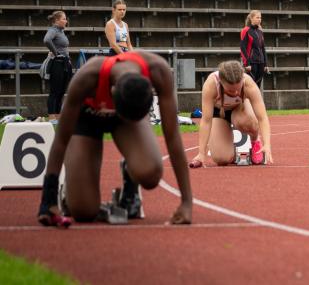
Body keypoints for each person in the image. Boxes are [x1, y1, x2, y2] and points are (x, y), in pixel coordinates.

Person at [36, 50, 192, 227]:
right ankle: (70, 189)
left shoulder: (159, 71)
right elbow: (61, 139)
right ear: (112, 91)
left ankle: (130, 178)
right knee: (84, 212)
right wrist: (48, 201)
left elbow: (172, 137)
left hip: (126, 118)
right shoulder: (86, 78)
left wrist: (186, 203)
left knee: (150, 175)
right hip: (86, 117)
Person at [189, 60, 272, 167]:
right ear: (221, 82)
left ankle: (255, 141)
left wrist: (267, 144)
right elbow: (206, 120)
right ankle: (230, 151)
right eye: (231, 91)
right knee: (222, 159)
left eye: (238, 89)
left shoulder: (248, 83)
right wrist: (201, 153)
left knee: (250, 122)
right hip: (219, 112)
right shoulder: (211, 85)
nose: (236, 93)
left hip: (240, 108)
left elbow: (262, 117)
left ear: (242, 79)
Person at [44, 11, 73, 122]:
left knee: (61, 91)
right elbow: (46, 40)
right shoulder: (53, 30)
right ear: (56, 20)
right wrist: (55, 53)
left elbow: (64, 48)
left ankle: (58, 116)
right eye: (64, 19)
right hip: (57, 64)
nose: (66, 21)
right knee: (55, 91)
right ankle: (51, 117)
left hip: (64, 63)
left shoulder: (61, 31)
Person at [239, 10, 267, 88]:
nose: (259, 19)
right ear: (251, 18)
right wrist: (247, 63)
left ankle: (256, 100)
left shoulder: (260, 31)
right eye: (257, 17)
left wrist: (266, 64)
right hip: (251, 62)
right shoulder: (245, 30)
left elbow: (263, 48)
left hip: (260, 62)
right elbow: (242, 47)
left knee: (258, 86)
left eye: (260, 18)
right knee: (250, 86)